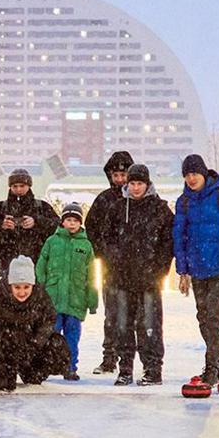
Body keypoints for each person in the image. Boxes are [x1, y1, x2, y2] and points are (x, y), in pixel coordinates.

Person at [173, 154, 219, 384]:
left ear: (204, 173)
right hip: (196, 269)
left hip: (218, 268)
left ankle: (211, 367)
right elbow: (179, 236)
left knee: (214, 317)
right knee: (203, 317)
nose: (191, 178)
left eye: (194, 173)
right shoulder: (183, 202)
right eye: (187, 174)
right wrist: (183, 269)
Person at [102, 164, 174, 385]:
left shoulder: (160, 209)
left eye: (139, 183)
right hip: (121, 278)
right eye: (132, 183)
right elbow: (107, 239)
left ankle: (153, 369)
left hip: (149, 279)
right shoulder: (117, 208)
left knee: (150, 325)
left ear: (147, 184)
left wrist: (159, 269)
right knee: (123, 324)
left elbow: (167, 242)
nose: (135, 188)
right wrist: (114, 262)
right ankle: (125, 369)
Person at [0, 255, 70, 392]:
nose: (22, 292)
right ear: (10, 285)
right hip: (4, 351)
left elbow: (49, 319)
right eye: (17, 287)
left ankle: (32, 372)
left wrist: (36, 343)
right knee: (4, 384)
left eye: (26, 287)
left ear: (33, 285)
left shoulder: (41, 296)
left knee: (58, 344)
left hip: (29, 349)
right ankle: (2, 372)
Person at [35, 202, 98, 381]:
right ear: (62, 222)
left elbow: (92, 275)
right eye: (68, 220)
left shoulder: (86, 245)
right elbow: (41, 266)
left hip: (75, 301)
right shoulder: (52, 242)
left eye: (75, 221)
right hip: (52, 300)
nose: (71, 224)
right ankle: (46, 365)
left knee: (72, 337)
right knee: (50, 335)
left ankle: (70, 367)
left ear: (80, 223)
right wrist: (40, 290)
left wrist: (92, 300)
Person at [84, 150, 133, 373]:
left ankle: (130, 359)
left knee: (135, 316)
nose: (120, 180)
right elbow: (91, 228)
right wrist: (103, 252)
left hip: (137, 266)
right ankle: (110, 357)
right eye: (116, 175)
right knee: (112, 314)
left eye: (124, 175)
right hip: (111, 268)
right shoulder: (104, 199)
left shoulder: (138, 198)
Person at [0, 168, 58, 277]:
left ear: (29, 186)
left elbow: (58, 229)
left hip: (36, 266)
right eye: (15, 186)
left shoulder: (42, 207)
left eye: (22, 186)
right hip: (7, 267)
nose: (18, 190)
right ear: (10, 187)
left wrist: (36, 222)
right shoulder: (0, 208)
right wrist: (1, 226)